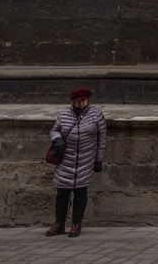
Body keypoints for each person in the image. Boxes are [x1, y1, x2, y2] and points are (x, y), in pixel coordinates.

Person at [46, 87, 107, 237]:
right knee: (62, 194)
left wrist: (98, 159)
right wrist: (57, 139)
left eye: (83, 101)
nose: (80, 104)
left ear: (88, 100)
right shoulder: (64, 115)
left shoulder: (96, 115)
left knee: (80, 193)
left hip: (85, 160)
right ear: (73, 101)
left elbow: (102, 138)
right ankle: (59, 223)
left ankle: (76, 223)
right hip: (66, 160)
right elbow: (54, 130)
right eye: (77, 101)